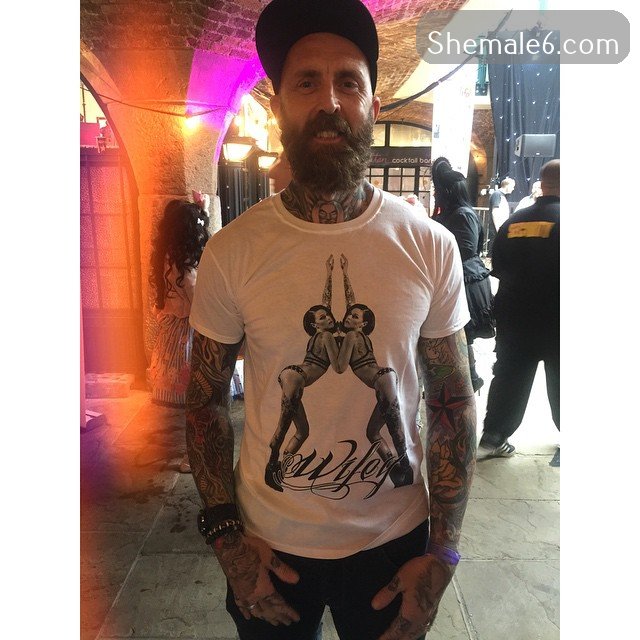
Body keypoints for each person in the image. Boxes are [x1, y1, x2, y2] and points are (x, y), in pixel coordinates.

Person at [186, 1, 477, 638]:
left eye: (349, 81)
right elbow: (203, 401)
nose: (329, 101)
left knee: (384, 393)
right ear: (278, 106)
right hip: (269, 543)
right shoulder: (233, 251)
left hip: (393, 542)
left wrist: (443, 553)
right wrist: (228, 541)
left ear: (373, 103)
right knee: (295, 387)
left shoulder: (428, 245)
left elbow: (452, 401)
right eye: (306, 83)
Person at [478, 159, 560, 463]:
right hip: (558, 318)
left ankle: (493, 438)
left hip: (514, 316)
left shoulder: (515, 221)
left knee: (509, 377)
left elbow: (497, 267)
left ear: (542, 183)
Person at [149, 198, 210, 472]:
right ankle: (193, 455)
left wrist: (203, 209)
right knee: (196, 401)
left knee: (190, 403)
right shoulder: (186, 268)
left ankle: (189, 451)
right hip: (190, 335)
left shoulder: (165, 258)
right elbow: (198, 304)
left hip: (173, 334)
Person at [431, 157, 495, 393]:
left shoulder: (462, 215)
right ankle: (464, 379)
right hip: (456, 277)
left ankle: (469, 378)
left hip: (465, 280)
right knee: (457, 333)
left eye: (438, 190)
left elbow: (464, 250)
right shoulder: (453, 213)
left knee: (461, 332)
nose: (435, 194)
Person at [487, 176, 515, 255]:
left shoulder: (500, 195)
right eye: (512, 186)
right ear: (507, 185)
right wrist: (498, 228)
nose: (513, 189)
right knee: (494, 248)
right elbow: (495, 212)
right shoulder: (497, 195)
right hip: (496, 228)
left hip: (499, 227)